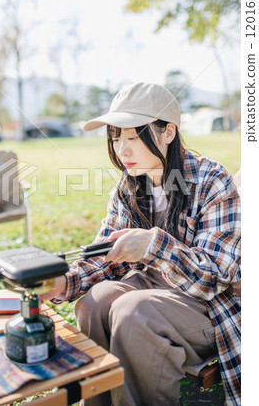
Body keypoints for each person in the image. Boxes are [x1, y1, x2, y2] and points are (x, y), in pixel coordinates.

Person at [40, 82, 241, 406]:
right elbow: (105, 255)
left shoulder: (211, 179)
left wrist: (153, 245)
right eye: (116, 137)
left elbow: (216, 276)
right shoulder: (128, 187)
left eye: (134, 136)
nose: (123, 150)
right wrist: (64, 281)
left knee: (134, 311)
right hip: (151, 287)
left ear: (168, 132)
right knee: (96, 300)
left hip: (207, 305)